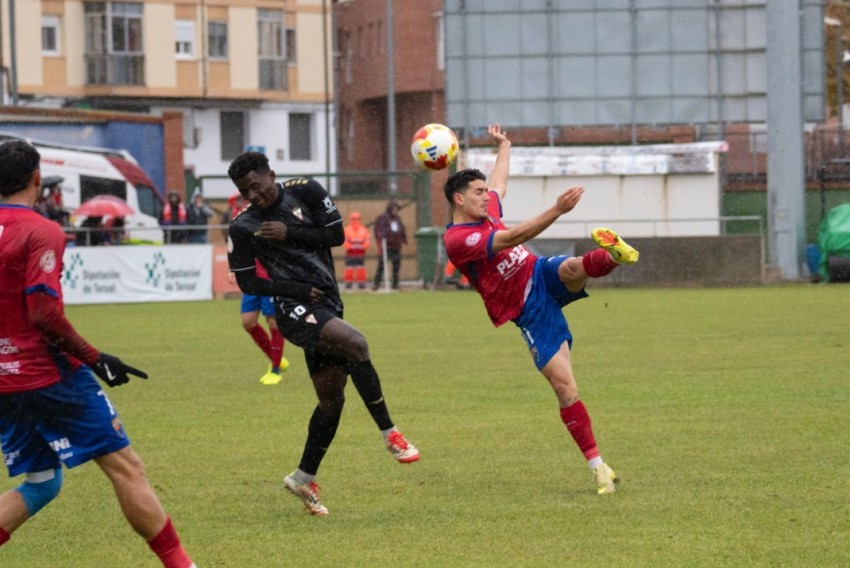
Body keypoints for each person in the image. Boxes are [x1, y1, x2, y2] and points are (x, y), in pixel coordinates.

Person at [0, 140, 196, 567]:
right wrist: (95, 358)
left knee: (42, 482)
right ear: (37, 178)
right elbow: (43, 311)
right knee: (126, 468)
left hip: (3, 382)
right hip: (48, 375)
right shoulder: (41, 230)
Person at [442, 125, 639, 496]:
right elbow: (512, 237)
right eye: (478, 193)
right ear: (459, 199)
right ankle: (599, 467)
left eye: (486, 192)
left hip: (538, 271)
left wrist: (505, 145)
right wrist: (557, 210)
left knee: (571, 268)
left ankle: (613, 256)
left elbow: (500, 182)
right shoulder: (457, 239)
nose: (488, 197)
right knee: (565, 387)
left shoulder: (485, 209)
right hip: (526, 309)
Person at [226, 151, 420, 516]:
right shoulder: (243, 226)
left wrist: (290, 232)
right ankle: (389, 434)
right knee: (356, 344)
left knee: (332, 402)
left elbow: (335, 235)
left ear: (271, 174)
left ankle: (303, 476)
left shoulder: (307, 191)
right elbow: (248, 280)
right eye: (243, 191)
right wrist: (295, 290)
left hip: (328, 301)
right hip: (293, 307)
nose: (252, 195)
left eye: (256, 185)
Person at [228, 266, 290, 385]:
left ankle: (275, 371)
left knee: (273, 322)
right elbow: (238, 248)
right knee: (248, 322)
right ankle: (276, 357)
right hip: (251, 279)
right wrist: (233, 268)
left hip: (270, 278)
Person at [372, 200, 407, 290]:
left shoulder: (397, 219)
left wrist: (403, 239)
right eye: (394, 209)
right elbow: (378, 230)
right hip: (386, 246)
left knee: (396, 265)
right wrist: (381, 238)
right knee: (381, 265)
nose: (396, 211)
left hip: (396, 246)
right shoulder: (383, 218)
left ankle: (395, 284)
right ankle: (376, 284)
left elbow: (402, 229)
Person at [342, 211, 371, 289]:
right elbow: (344, 240)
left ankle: (361, 283)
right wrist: (350, 247)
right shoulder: (347, 229)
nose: (355, 220)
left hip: (360, 252)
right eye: (353, 219)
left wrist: (362, 247)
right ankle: (348, 283)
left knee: (360, 268)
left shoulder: (364, 229)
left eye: (357, 219)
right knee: (349, 268)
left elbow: (367, 240)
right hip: (350, 252)